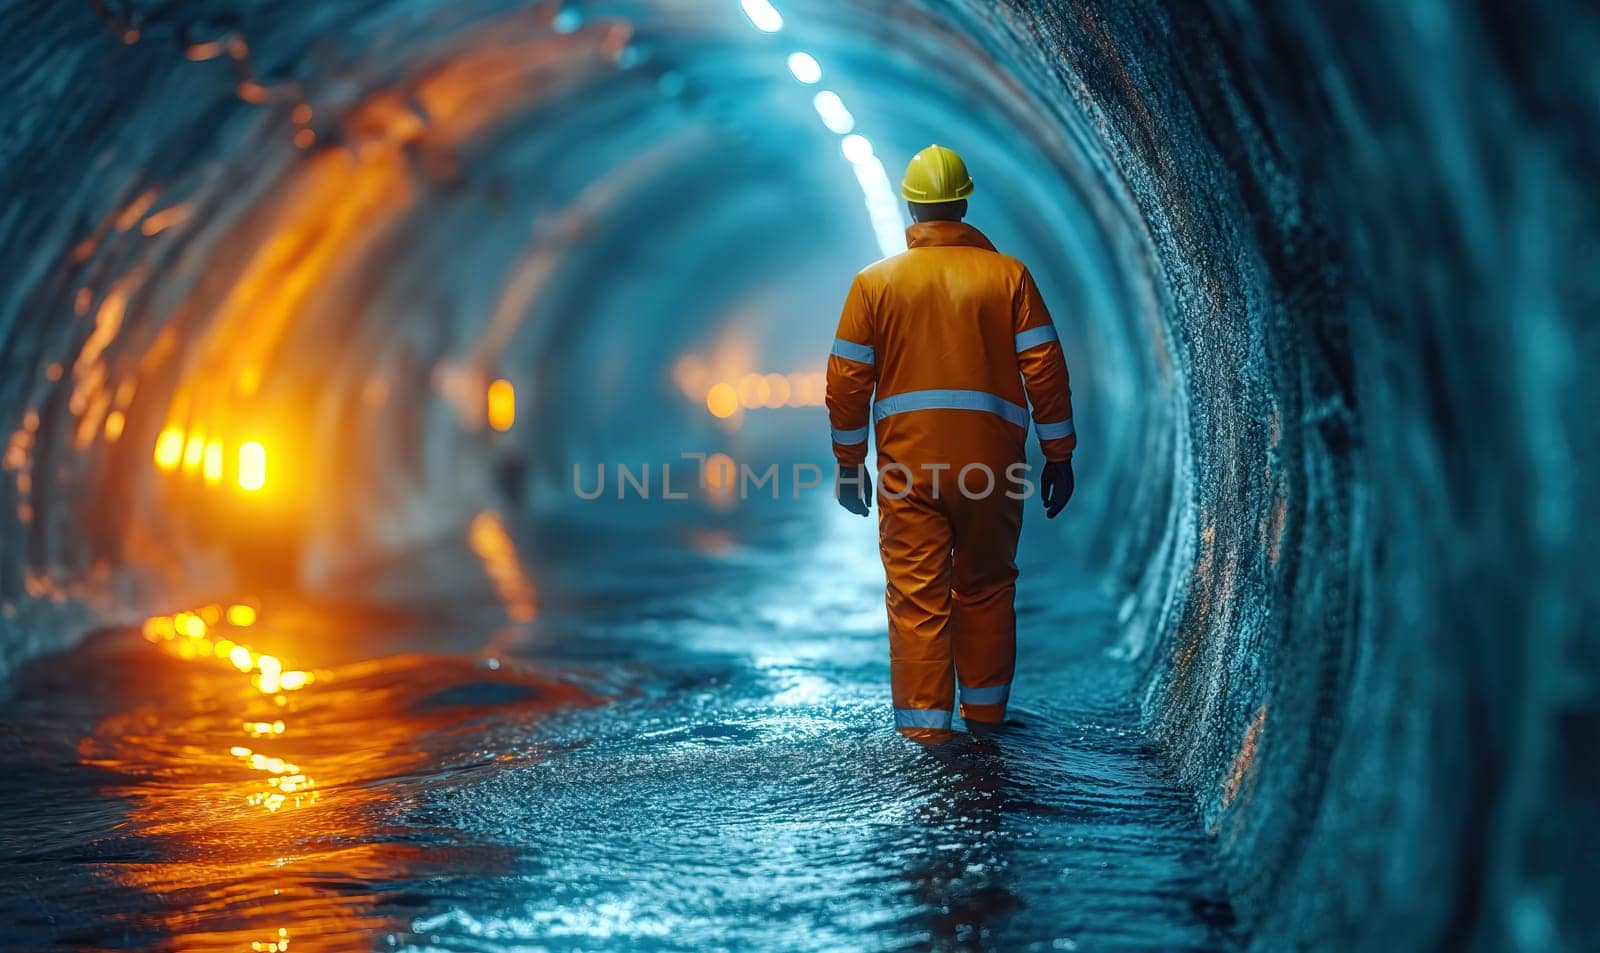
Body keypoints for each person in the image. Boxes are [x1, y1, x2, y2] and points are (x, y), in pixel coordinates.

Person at [826, 144, 1076, 743]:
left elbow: (846, 381)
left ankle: (925, 739)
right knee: (987, 588)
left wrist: (848, 463)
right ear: (963, 203)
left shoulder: (874, 284)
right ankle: (986, 724)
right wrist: (1059, 454)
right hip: (994, 470)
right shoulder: (1009, 276)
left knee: (917, 600)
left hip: (909, 471)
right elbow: (1044, 368)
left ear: (911, 206)